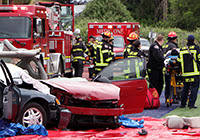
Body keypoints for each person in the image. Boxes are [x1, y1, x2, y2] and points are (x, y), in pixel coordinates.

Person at [179, 35, 200, 109]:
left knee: (185, 88)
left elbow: (179, 61)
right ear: (194, 40)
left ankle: (183, 104)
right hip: (195, 73)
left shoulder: (182, 49)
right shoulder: (196, 48)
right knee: (194, 88)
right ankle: (191, 104)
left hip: (185, 73)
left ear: (187, 40)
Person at [164, 31, 179, 104]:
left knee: (168, 84)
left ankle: (167, 97)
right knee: (174, 82)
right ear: (174, 38)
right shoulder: (173, 46)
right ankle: (175, 97)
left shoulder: (166, 45)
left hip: (167, 67)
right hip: (174, 67)